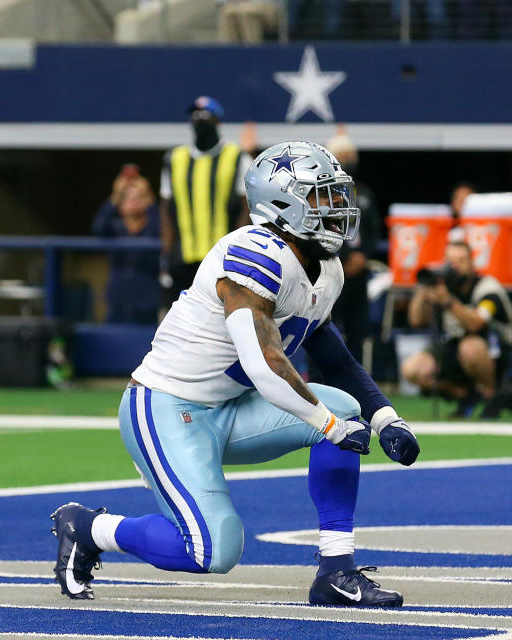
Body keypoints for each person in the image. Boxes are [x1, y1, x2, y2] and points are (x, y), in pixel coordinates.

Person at [51, 141, 420, 608]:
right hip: (167, 406)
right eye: (323, 196)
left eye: (336, 195)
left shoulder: (326, 268)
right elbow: (264, 364)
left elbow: (333, 355)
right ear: (283, 203)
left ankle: (336, 571)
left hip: (230, 409)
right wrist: (328, 425)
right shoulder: (253, 252)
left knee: (347, 408)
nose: (338, 208)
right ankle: (88, 528)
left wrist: (386, 418)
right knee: (214, 547)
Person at [402, 240, 512, 419]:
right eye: (451, 261)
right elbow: (416, 320)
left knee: (470, 348)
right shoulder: (443, 287)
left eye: (461, 260)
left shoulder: (488, 288)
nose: (455, 266)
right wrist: (423, 291)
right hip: (452, 350)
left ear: (472, 263)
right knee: (412, 369)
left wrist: (448, 301)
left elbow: (477, 323)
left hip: (492, 353)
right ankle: (465, 394)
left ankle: (491, 395)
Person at [160, 96, 252, 305]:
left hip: (223, 259)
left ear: (217, 121)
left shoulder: (237, 157)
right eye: (195, 116)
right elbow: (166, 207)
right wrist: (167, 252)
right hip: (183, 256)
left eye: (205, 116)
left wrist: (237, 251)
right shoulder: (175, 158)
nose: (199, 120)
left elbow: (246, 208)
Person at [326, 127, 380, 363]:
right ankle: (320, 383)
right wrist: (344, 256)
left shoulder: (365, 193)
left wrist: (362, 255)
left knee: (357, 330)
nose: (348, 161)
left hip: (358, 275)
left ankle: (356, 386)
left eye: (351, 157)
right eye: (342, 157)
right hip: (331, 269)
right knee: (325, 329)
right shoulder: (322, 195)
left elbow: (374, 231)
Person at [91, 173, 161, 324]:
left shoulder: (152, 227)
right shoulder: (115, 228)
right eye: (128, 198)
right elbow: (98, 228)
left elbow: (162, 228)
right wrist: (116, 194)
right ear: (120, 206)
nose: (134, 201)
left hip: (146, 302)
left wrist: (148, 196)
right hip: (117, 301)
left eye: (138, 198)